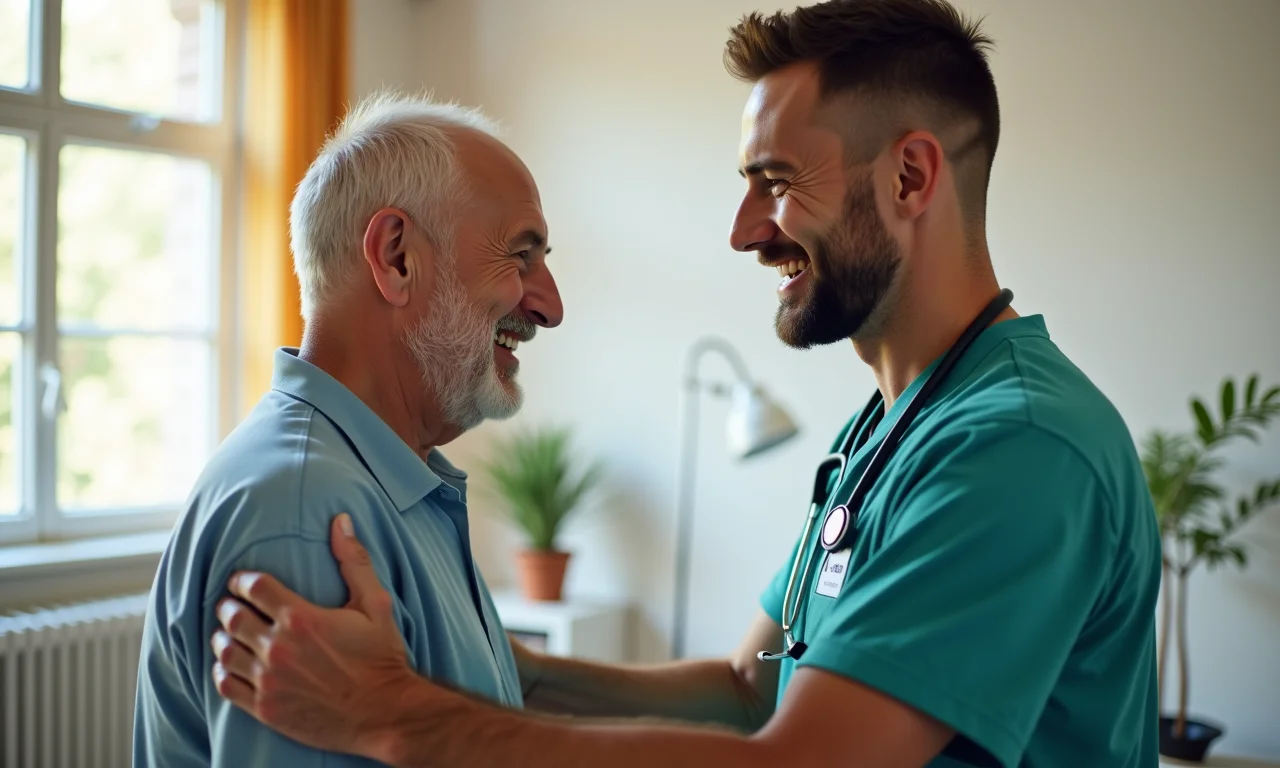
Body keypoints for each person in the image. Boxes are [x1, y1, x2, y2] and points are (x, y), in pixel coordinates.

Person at [205, 1, 1162, 766]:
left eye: (777, 181)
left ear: (910, 178)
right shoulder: (891, 429)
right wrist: (503, 670)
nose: (745, 230)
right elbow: (751, 691)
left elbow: (797, 760)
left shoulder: (1015, 445)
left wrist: (393, 715)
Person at [132, 92, 564, 767]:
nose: (550, 304)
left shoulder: (385, 482)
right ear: (395, 257)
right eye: (521, 256)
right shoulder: (312, 514)